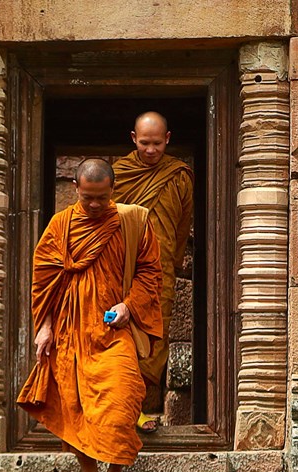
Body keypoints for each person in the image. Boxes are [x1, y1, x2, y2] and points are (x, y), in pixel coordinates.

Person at [17, 158, 163, 472]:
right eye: (87, 198)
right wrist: (45, 327)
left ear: (112, 190)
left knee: (120, 398)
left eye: (101, 197)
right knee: (77, 408)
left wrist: (129, 305)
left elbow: (151, 272)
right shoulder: (61, 226)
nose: (94, 205)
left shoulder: (134, 221)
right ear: (76, 191)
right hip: (70, 332)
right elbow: (44, 281)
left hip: (114, 331)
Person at [112, 111, 194, 433]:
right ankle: (118, 411)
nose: (150, 150)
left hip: (161, 275)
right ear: (134, 139)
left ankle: (143, 410)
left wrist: (169, 265)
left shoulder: (179, 177)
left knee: (154, 342)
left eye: (157, 143)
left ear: (168, 139)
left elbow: (182, 225)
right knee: (120, 340)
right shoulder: (118, 174)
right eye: (144, 143)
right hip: (122, 274)